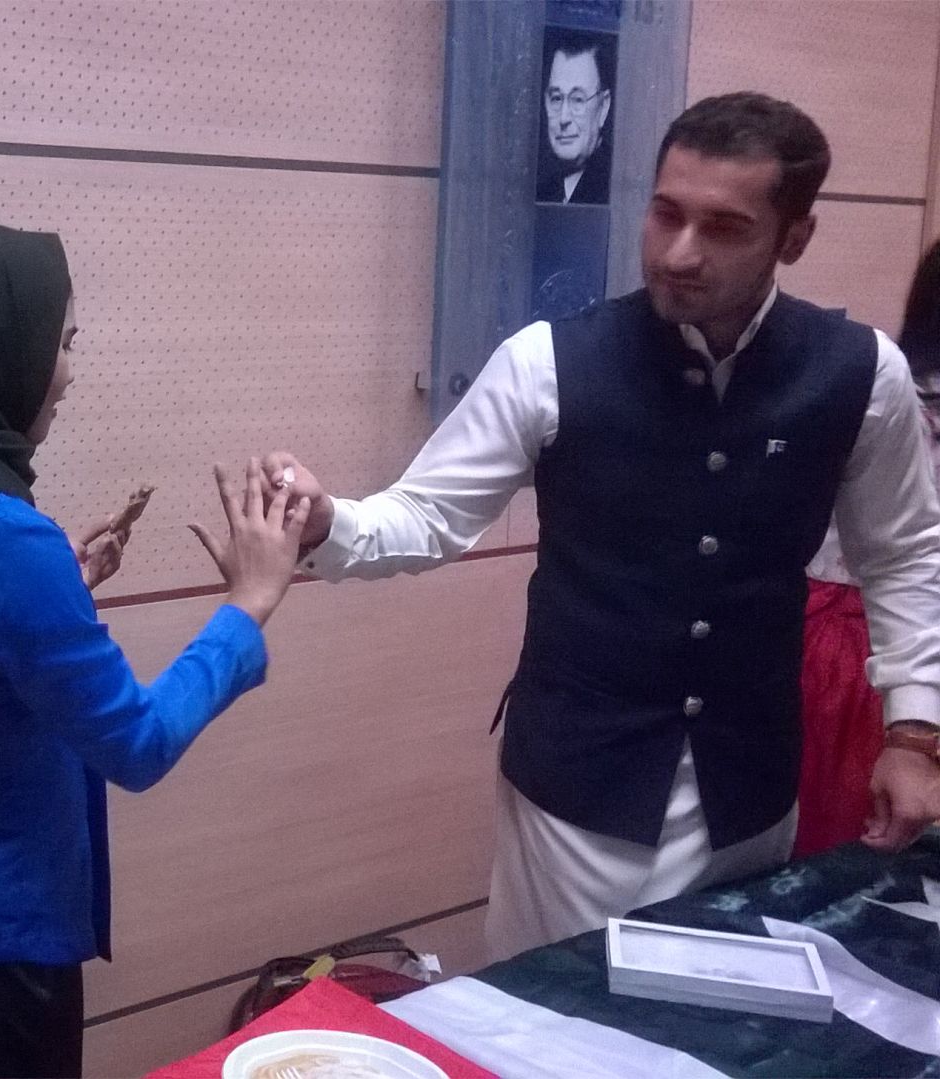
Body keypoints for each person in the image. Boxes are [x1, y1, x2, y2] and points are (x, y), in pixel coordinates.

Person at [275, 93, 940, 961]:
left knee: (719, 1016)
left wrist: (914, 730)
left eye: (724, 227)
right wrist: (329, 523)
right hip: (575, 788)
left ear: (795, 238)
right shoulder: (548, 361)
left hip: (752, 780)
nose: (678, 252)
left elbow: (904, 553)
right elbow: (430, 513)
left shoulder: (861, 373)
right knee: (556, 1014)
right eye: (665, 213)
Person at [0, 222, 310, 1078]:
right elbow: (137, 742)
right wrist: (249, 604)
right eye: (63, 342)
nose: (69, 372)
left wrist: (60, 591)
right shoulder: (2, 537)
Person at [796, 238, 940, 856]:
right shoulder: (891, 390)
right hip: (863, 643)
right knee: (858, 849)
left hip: (854, 634)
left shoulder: (884, 382)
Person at [536, 30, 614, 205]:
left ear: (603, 106)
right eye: (556, 98)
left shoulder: (615, 189)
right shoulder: (543, 192)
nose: (564, 118)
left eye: (578, 99)